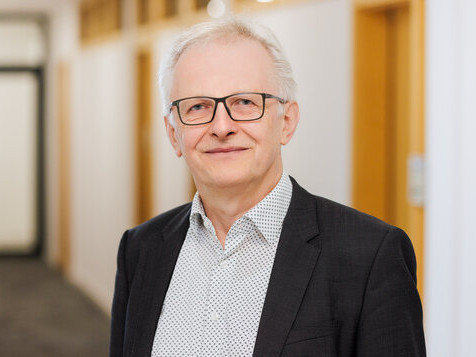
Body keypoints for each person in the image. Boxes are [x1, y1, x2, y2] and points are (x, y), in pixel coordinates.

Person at [110, 17, 425, 357]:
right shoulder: (140, 250)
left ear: (286, 122)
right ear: (174, 135)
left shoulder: (370, 257)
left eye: (245, 102)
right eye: (198, 106)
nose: (221, 126)